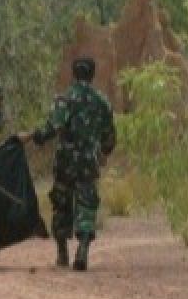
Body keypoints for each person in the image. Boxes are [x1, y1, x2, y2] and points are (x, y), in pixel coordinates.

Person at [18, 56, 116, 271]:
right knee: (87, 202)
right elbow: (109, 137)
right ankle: (82, 247)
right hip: (89, 161)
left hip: (66, 161)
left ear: (74, 74)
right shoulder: (102, 102)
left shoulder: (65, 99)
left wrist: (33, 136)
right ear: (92, 75)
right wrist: (104, 153)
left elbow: (51, 128)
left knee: (61, 203)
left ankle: (62, 252)